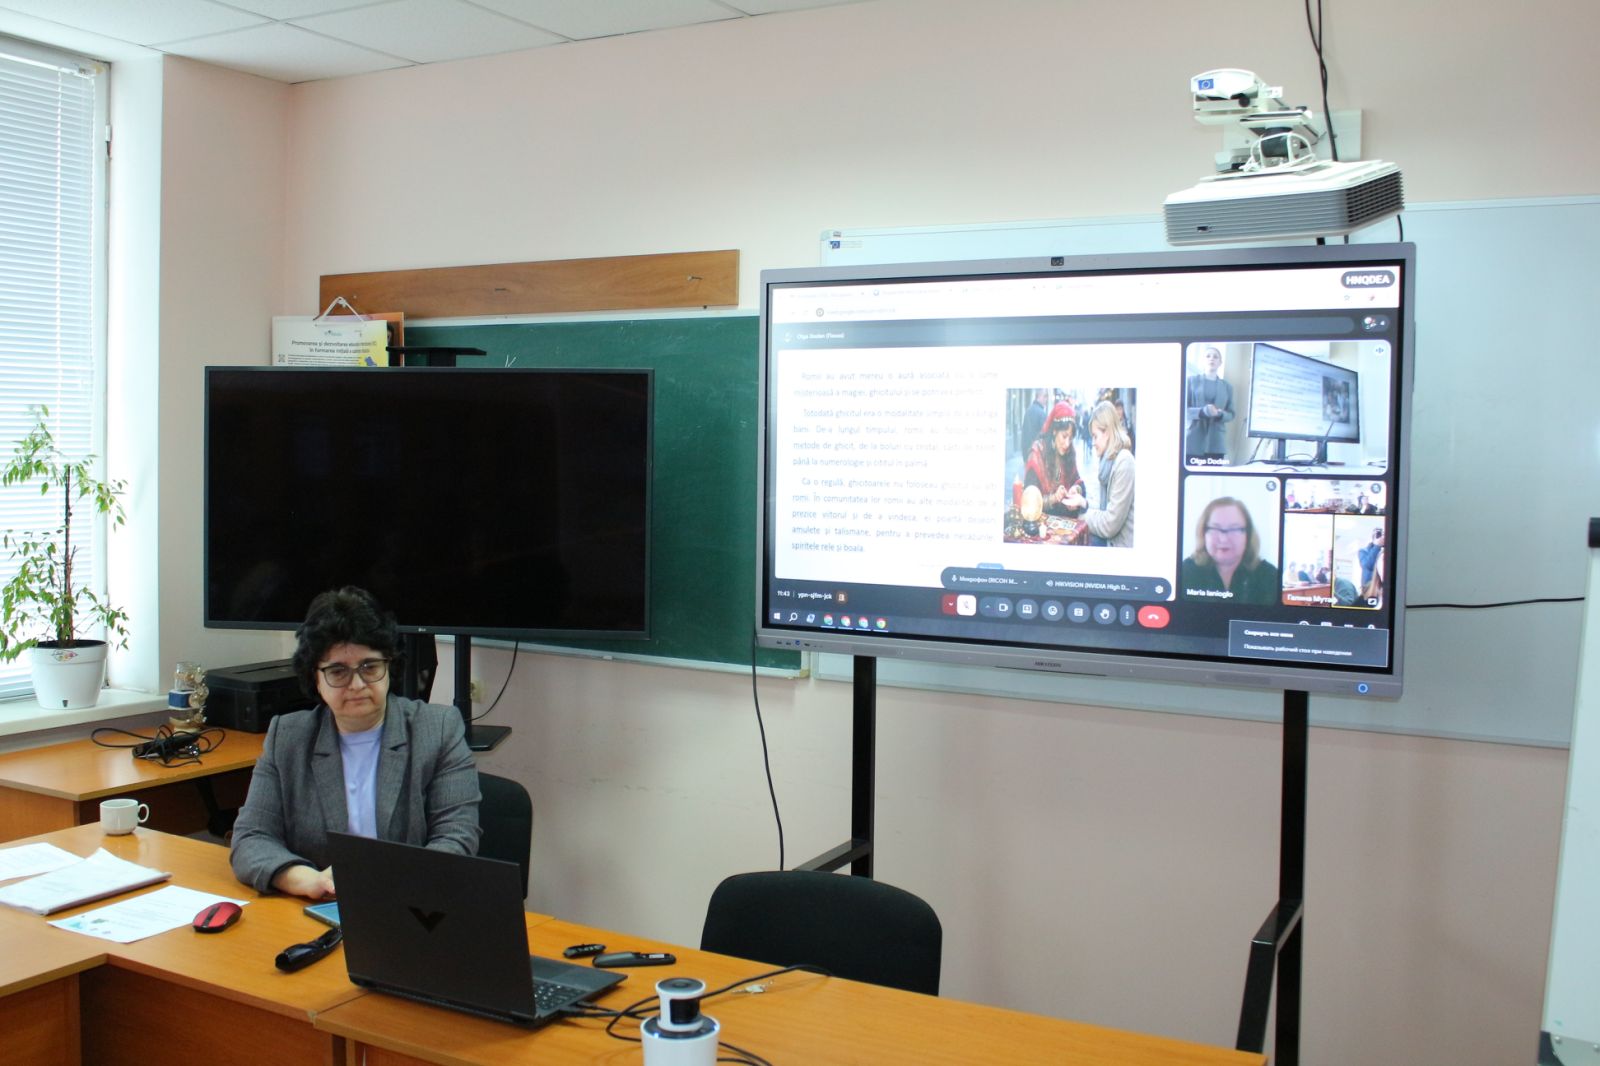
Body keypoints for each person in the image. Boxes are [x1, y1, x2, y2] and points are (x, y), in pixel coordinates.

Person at [230, 586, 481, 898]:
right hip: (318, 906)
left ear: (389, 666)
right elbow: (251, 837)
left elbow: (457, 838)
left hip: (409, 903)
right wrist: (308, 880)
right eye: (338, 671)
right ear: (315, 678)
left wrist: (391, 885)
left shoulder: (437, 729)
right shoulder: (288, 736)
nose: (357, 684)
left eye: (369, 667)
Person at [1180, 497, 1282, 604]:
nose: (1223, 539)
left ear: (1248, 534)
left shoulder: (1270, 576)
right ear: (1203, 532)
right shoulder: (1185, 572)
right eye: (1215, 528)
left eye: (1234, 529)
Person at [1063, 401, 1134, 546]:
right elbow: (1104, 507)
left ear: (1107, 433)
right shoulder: (1108, 460)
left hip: (1119, 546)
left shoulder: (1124, 462)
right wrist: (1082, 502)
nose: (1093, 442)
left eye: (1095, 436)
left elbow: (1110, 525)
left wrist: (1081, 516)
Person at [1023, 400, 1083, 515]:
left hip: (1066, 518)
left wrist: (1076, 489)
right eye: (1064, 436)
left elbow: (1077, 480)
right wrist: (1054, 498)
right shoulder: (1037, 454)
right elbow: (1030, 500)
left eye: (1070, 439)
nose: (1067, 444)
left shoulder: (1069, 452)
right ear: (1054, 431)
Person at [1184, 346, 1234, 463]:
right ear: (1203, 360)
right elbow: (1182, 410)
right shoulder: (1191, 381)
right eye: (1208, 356)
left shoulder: (1227, 387)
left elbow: (1231, 413)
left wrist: (1221, 414)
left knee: (1213, 474)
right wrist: (1202, 411)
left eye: (1215, 357)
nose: (1212, 358)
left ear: (1220, 362)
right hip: (1193, 441)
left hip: (1216, 443)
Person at [1359, 527, 1385, 591]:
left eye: (1382, 535)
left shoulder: (1386, 551)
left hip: (1383, 586)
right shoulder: (1363, 551)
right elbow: (1369, 565)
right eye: (1377, 535)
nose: (1380, 537)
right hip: (1369, 587)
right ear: (1373, 538)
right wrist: (1377, 546)